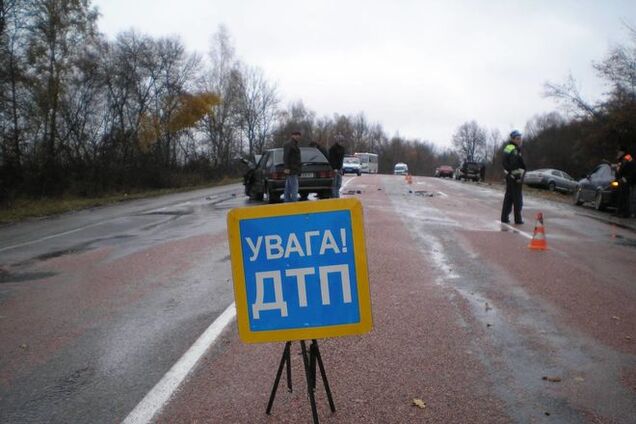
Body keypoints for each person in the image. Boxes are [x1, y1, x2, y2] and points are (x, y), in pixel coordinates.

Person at [500, 130, 526, 224]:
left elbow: (505, 163)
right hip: (515, 178)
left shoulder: (508, 147)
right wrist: (517, 177)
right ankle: (518, 219)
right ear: (513, 139)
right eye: (518, 139)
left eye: (520, 139)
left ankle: (504, 217)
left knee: (509, 198)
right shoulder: (514, 150)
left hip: (509, 176)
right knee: (517, 199)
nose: (520, 141)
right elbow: (514, 164)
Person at [615, 145, 634, 218]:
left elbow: (626, 169)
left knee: (625, 197)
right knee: (622, 196)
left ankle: (625, 213)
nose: (618, 152)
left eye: (619, 151)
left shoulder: (627, 158)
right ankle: (620, 212)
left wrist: (626, 178)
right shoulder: (623, 158)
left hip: (626, 180)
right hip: (623, 180)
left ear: (623, 152)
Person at [283, 131, 302, 202]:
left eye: (299, 135)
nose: (298, 137)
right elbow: (286, 156)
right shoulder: (289, 144)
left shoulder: (295, 144)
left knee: (288, 186)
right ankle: (294, 201)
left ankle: (287, 200)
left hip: (294, 168)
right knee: (294, 186)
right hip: (292, 168)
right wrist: (286, 167)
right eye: (296, 135)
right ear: (292, 136)